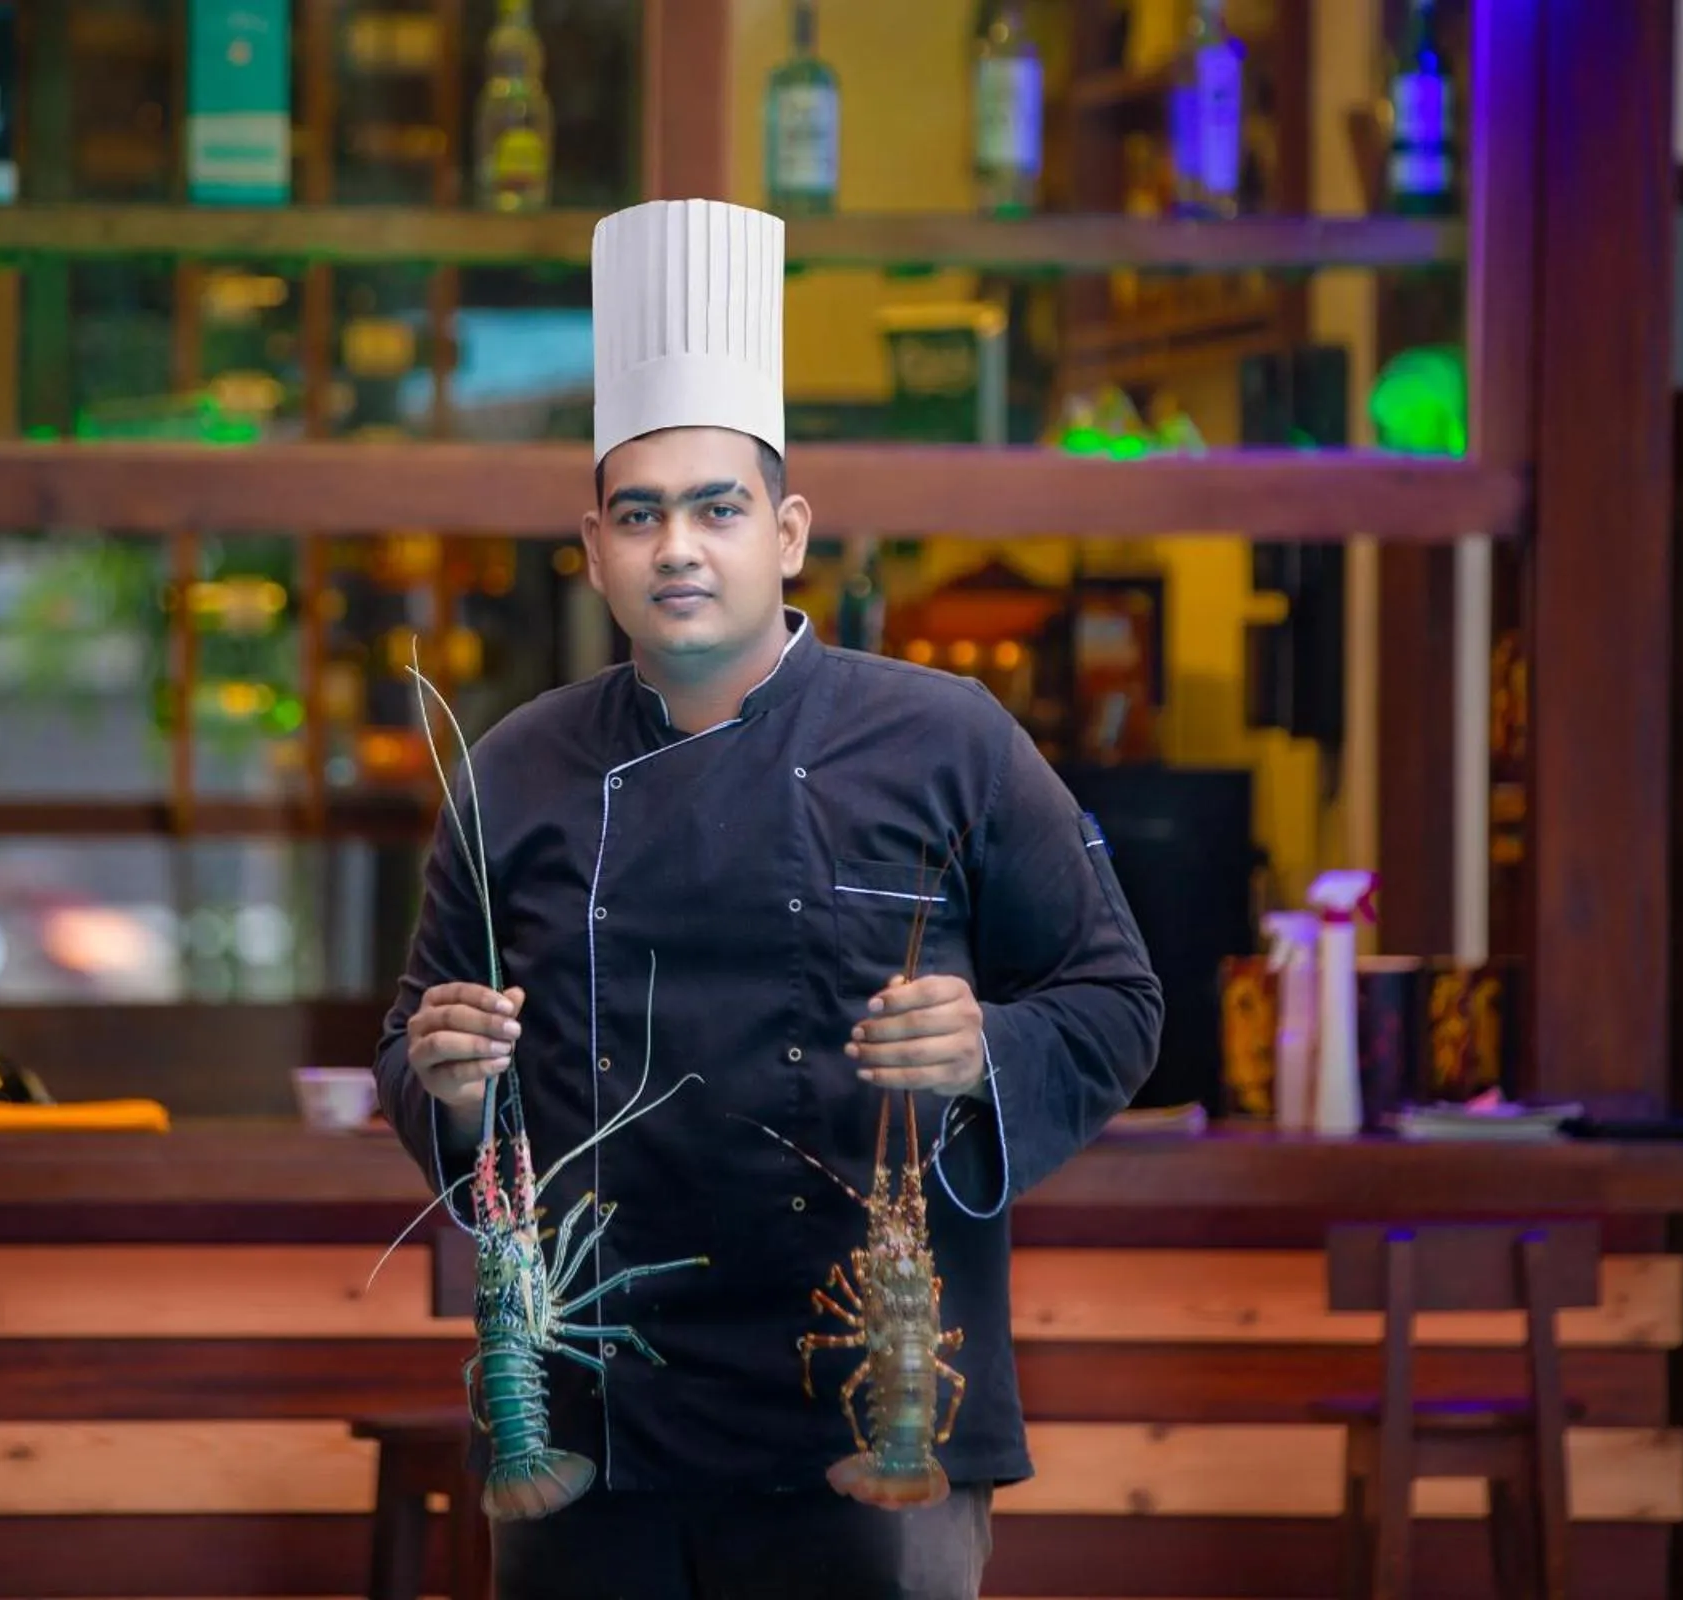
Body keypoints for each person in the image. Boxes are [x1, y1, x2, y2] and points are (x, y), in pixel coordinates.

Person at [372, 197, 1163, 1600]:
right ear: (595, 548)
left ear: (789, 532)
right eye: (640, 515)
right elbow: (416, 1053)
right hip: (585, 1428)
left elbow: (1116, 1001)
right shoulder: (513, 770)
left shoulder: (949, 740)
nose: (678, 546)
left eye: (718, 508)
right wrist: (447, 1081)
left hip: (872, 1423)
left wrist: (988, 1047)